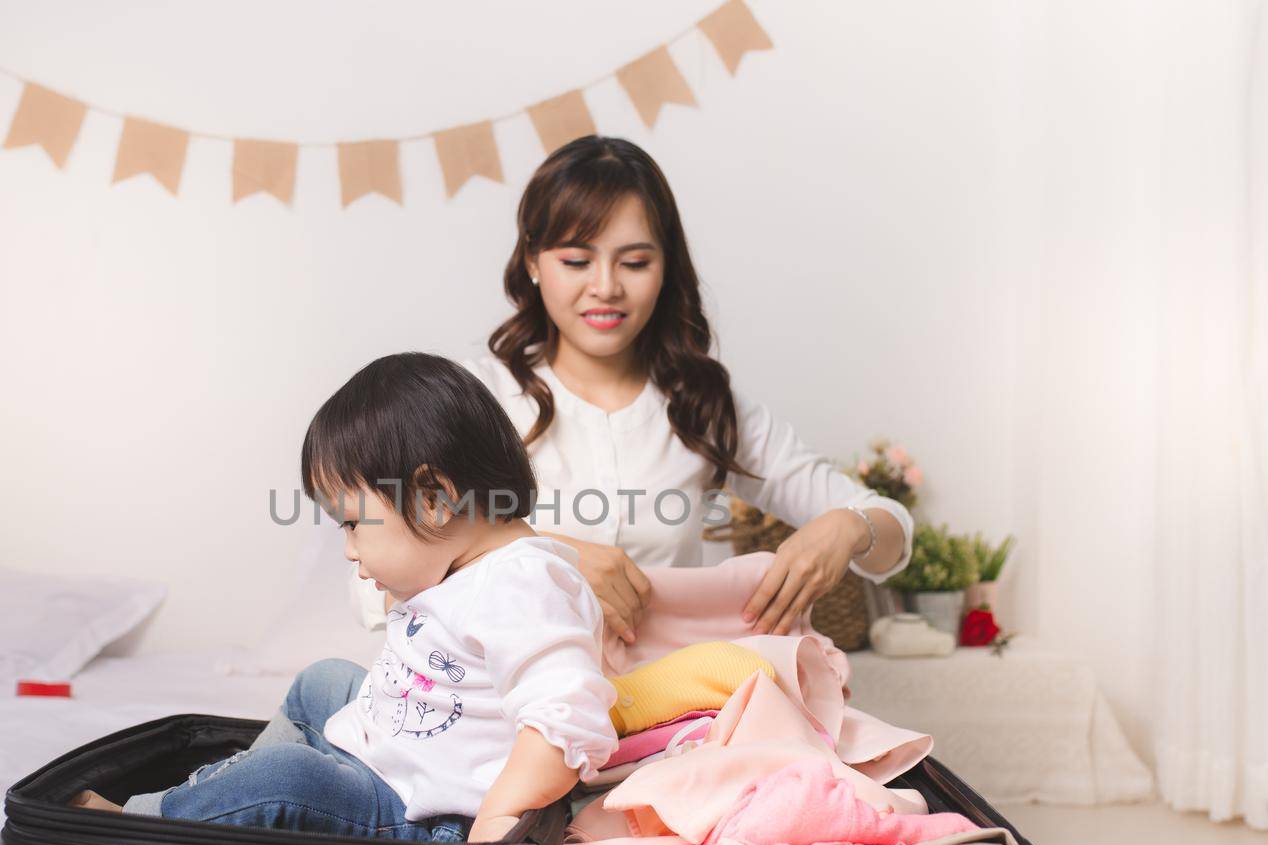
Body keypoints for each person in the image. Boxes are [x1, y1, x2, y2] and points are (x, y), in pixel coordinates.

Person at [351, 135, 913, 644]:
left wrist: (848, 528)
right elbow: (371, 581)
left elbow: (887, 531)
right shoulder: (474, 396)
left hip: (670, 712)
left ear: (666, 267)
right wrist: (550, 559)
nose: (606, 288)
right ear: (533, 262)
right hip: (500, 710)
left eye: (635, 262)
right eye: (576, 260)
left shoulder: (702, 407)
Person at [73, 353, 618, 845]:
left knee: (286, 778)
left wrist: (502, 817)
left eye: (353, 524)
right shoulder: (462, 568)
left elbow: (565, 716)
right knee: (324, 681)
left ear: (433, 500)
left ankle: (147, 824)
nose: (349, 550)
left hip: (429, 815)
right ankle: (229, 803)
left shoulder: (523, 585)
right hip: (395, 759)